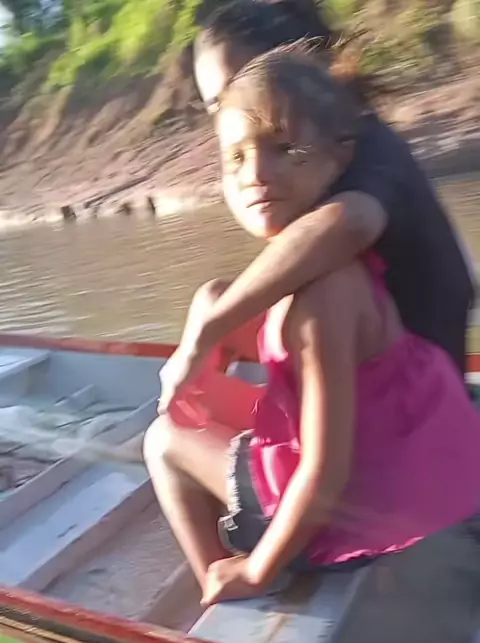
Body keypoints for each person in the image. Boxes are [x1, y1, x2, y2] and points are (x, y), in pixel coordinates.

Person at [144, 46, 480, 608]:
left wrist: (258, 570)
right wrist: (206, 334)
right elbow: (232, 307)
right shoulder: (321, 266)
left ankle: (224, 581)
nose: (256, 174)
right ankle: (247, 504)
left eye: (284, 149)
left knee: (163, 440)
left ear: (337, 158)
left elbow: (325, 473)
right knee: (211, 303)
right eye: (236, 158)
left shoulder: (326, 295)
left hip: (361, 513)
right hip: (395, 461)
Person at [158, 0, 475, 412]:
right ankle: (191, 407)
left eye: (242, 83)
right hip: (364, 353)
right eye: (217, 105)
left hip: (415, 398)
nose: (233, 111)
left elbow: (350, 222)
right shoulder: (291, 160)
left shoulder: (362, 143)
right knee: (212, 298)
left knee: (169, 437)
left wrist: (208, 331)